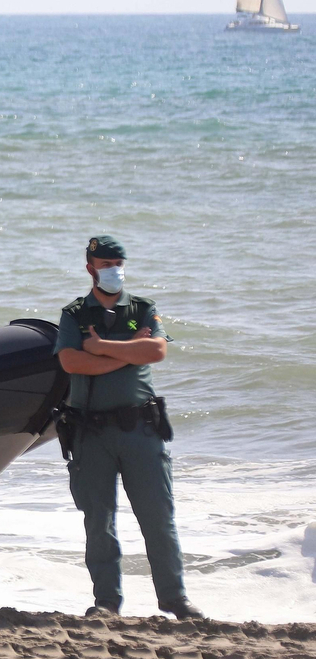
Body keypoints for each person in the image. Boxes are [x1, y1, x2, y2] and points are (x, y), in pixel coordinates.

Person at [53, 236, 202, 619]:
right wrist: (125, 353)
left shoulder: (142, 308)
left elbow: (155, 351)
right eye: (104, 264)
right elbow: (72, 363)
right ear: (90, 268)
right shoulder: (74, 314)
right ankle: (107, 602)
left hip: (140, 429)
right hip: (91, 433)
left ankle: (174, 598)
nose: (112, 270)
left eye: (117, 263)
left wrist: (101, 347)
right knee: (99, 522)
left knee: (158, 516)